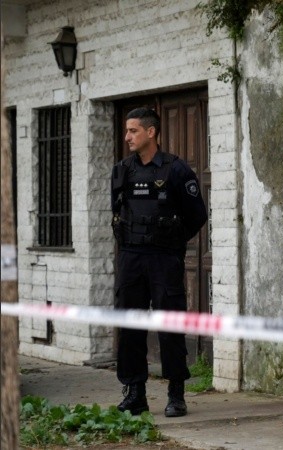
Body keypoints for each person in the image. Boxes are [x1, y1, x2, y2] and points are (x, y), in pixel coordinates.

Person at [110, 108, 208, 417]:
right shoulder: (123, 170)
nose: (127, 137)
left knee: (170, 325)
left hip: (164, 260)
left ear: (151, 133)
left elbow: (197, 215)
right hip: (131, 258)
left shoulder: (176, 170)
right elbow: (118, 211)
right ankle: (135, 393)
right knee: (130, 325)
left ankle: (176, 394)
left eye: (133, 131)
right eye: (127, 131)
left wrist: (173, 241)